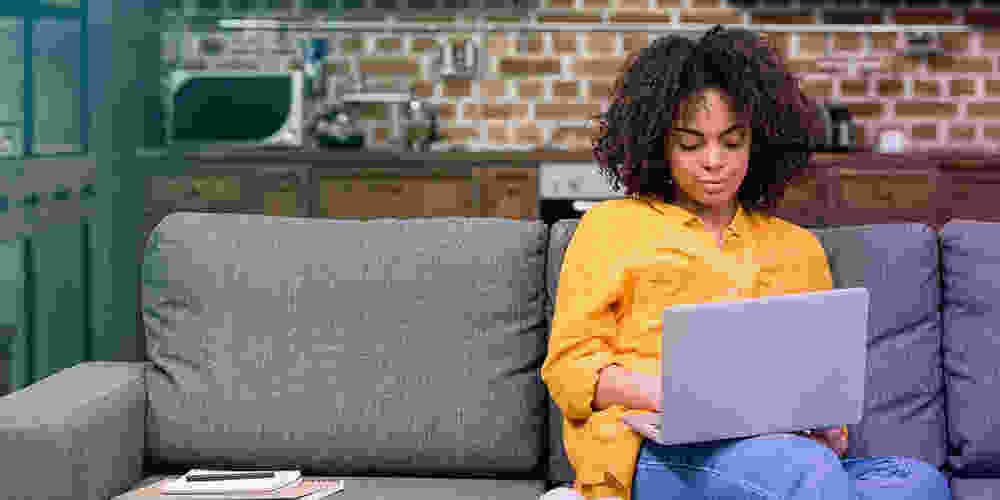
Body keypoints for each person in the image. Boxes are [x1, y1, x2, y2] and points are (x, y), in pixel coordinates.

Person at [540, 25, 952, 500]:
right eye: (691, 144)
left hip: (780, 449)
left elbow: (816, 378)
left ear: (759, 142)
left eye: (732, 142)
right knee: (804, 472)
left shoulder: (796, 247)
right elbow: (569, 369)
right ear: (658, 144)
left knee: (917, 483)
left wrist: (826, 427)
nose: (714, 161)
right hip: (653, 448)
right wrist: (677, 396)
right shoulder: (612, 227)